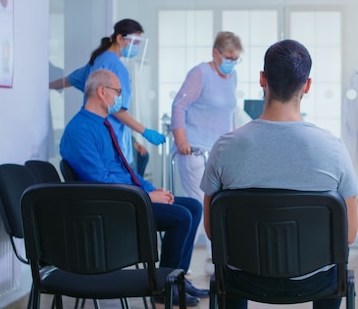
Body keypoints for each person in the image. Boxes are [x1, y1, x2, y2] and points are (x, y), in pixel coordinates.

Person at [200, 39, 358, 309]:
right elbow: (349, 234)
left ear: (263, 79)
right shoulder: (333, 149)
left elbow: (213, 230)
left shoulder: (225, 148)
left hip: (244, 279)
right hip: (315, 282)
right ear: (307, 85)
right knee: (335, 261)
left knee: (229, 263)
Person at [59, 69, 208, 306]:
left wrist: (153, 190)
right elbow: (99, 180)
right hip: (115, 205)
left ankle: (176, 279)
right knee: (181, 217)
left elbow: (126, 170)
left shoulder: (103, 124)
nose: (120, 99)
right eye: (118, 92)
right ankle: (164, 287)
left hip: (130, 197)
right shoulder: (80, 130)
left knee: (192, 206)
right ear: (102, 92)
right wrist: (146, 197)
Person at [171, 31, 242, 273]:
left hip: (218, 150)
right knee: (198, 206)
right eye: (229, 57)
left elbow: (229, 114)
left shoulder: (232, 77)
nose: (232, 62)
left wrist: (232, 141)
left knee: (219, 206)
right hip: (193, 150)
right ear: (216, 53)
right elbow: (179, 106)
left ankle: (217, 260)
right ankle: (181, 266)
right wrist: (181, 141)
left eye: (236, 58)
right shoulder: (200, 73)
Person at [50, 19, 165, 166]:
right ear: (119, 38)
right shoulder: (116, 67)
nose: (137, 47)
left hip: (97, 132)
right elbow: (116, 109)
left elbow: (69, 80)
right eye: (134, 42)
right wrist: (145, 131)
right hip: (108, 138)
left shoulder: (97, 60)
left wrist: (45, 85)